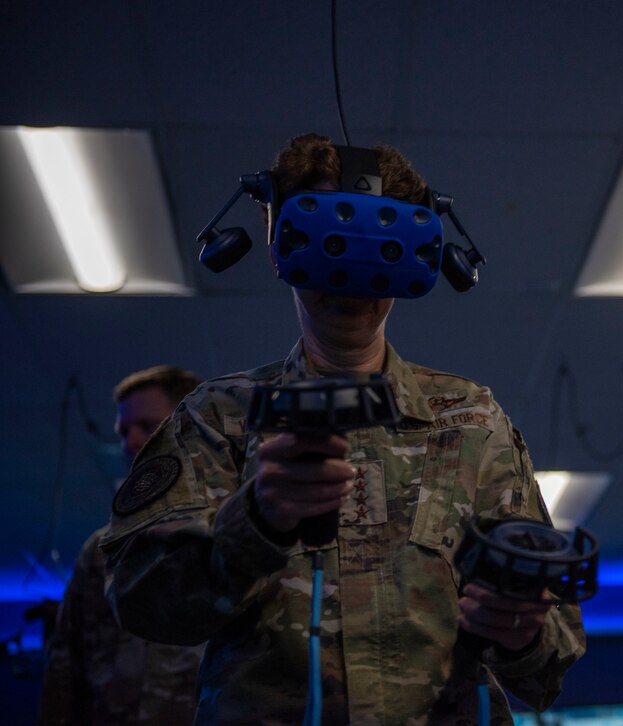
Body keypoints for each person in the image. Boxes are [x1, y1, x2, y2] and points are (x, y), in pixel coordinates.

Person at [101, 133, 586, 723]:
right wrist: (253, 523)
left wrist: (520, 631)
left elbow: (553, 655)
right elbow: (139, 601)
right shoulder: (219, 418)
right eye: (330, 241)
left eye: (378, 245)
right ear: (279, 238)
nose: (350, 276)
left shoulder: (470, 419)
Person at [39, 365, 204, 725]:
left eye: (147, 426)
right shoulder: (101, 551)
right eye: (123, 431)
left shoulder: (234, 536)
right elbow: (66, 667)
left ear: (192, 427)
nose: (130, 441)